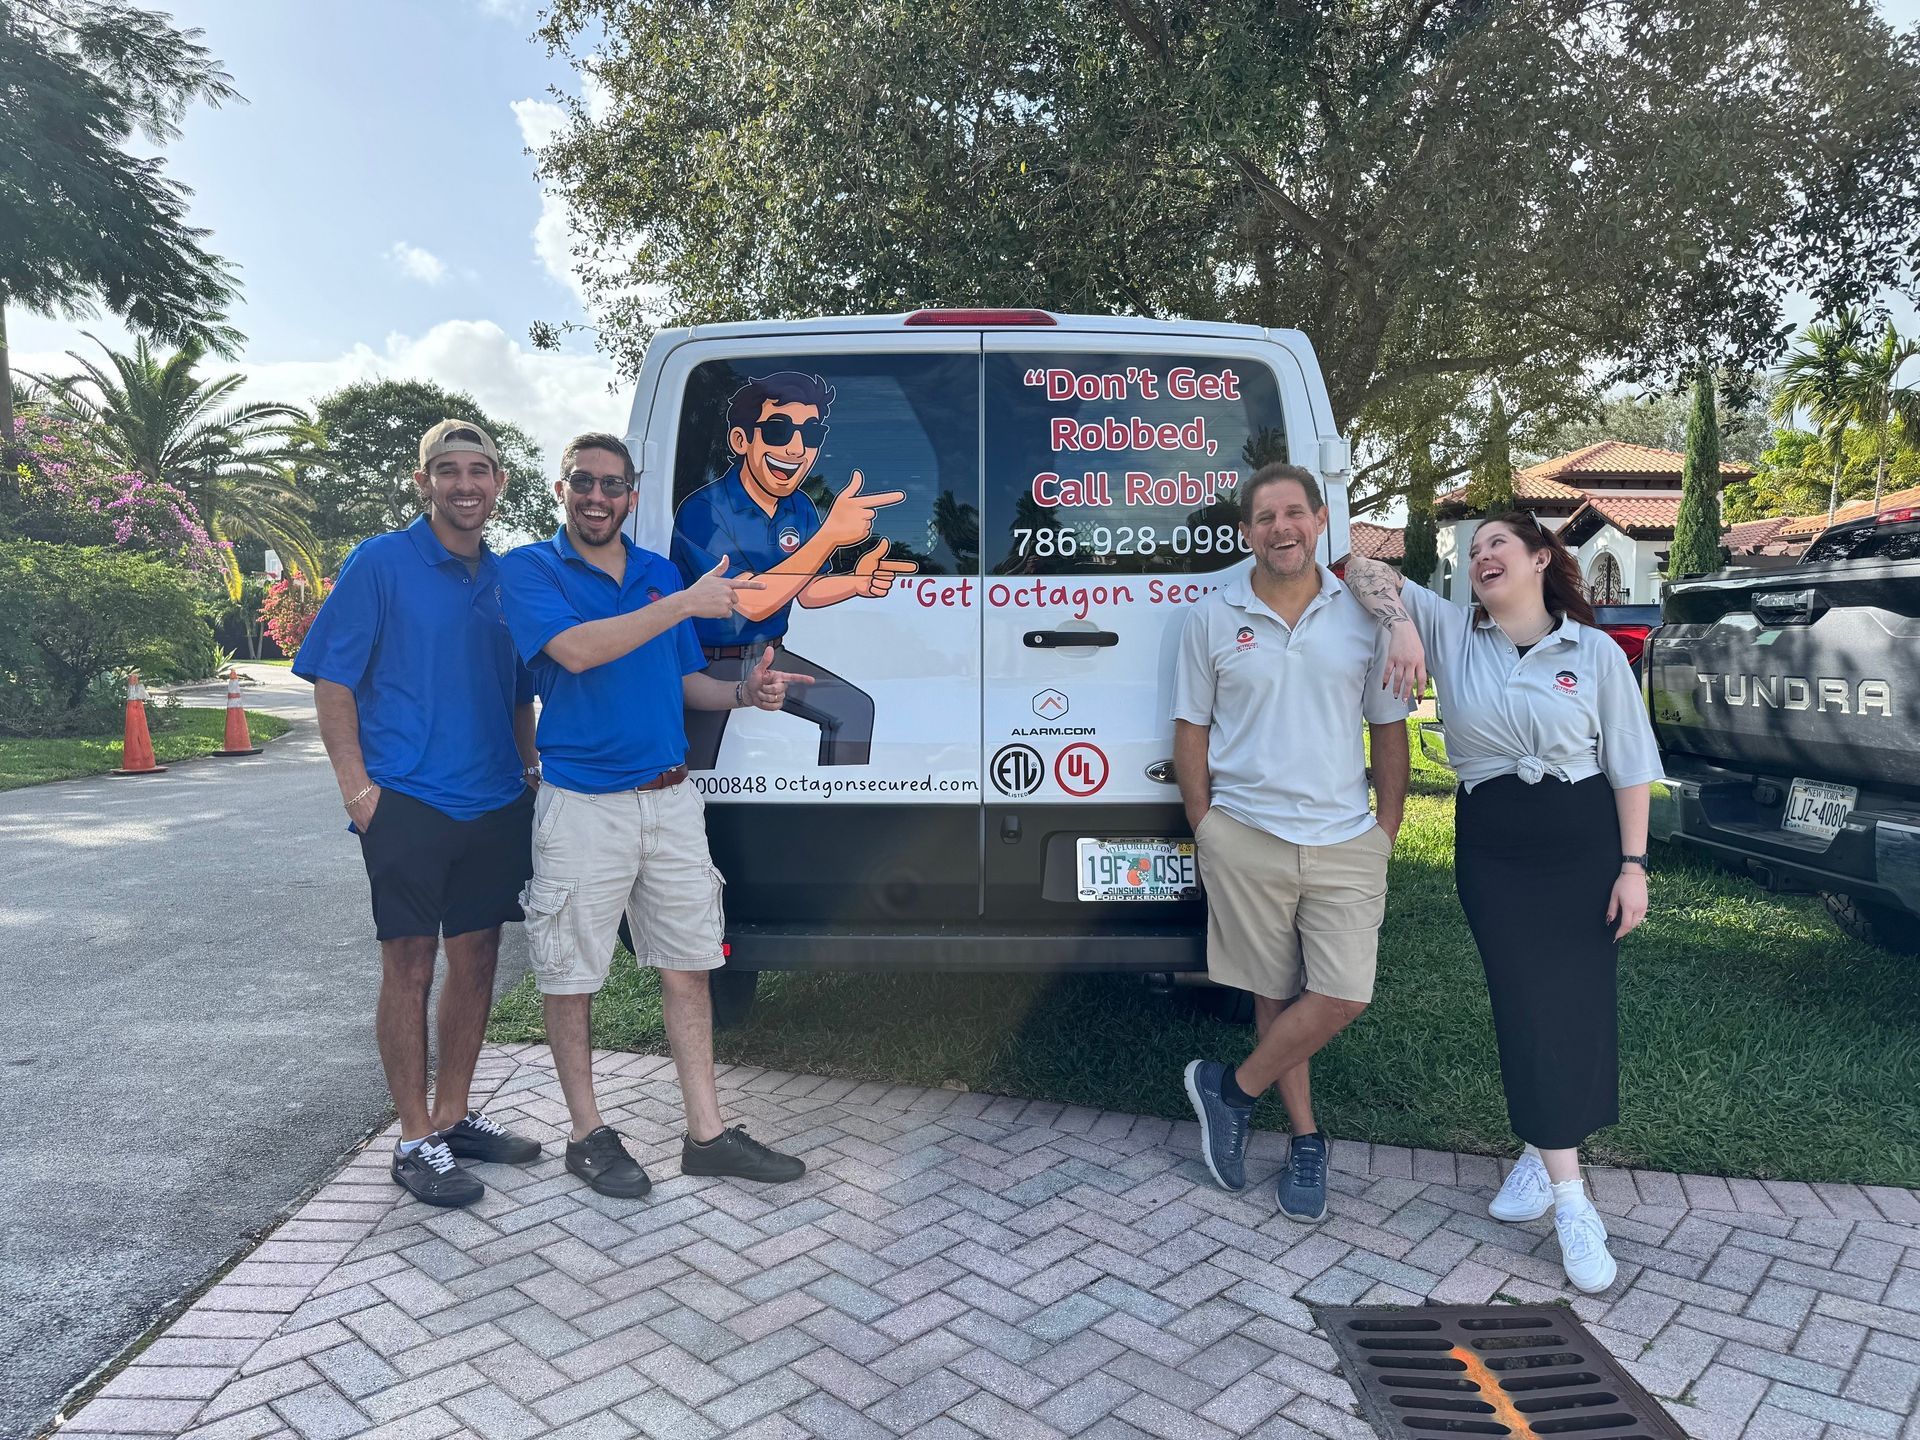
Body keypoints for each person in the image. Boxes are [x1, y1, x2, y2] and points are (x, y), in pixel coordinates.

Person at [1343, 512, 1659, 1293]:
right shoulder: (1452, 628)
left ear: (1541, 559)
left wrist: (1633, 866)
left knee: (1576, 1005)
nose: (1482, 556)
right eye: (1475, 548)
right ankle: (1573, 1201)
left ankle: (1541, 1154)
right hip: (1496, 845)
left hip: (1582, 839)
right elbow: (1358, 566)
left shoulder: (1592, 652)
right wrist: (1402, 626)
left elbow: (1628, 764)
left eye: (1499, 545)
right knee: (1525, 1003)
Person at [497, 432, 811, 1198]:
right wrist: (685, 602)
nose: (597, 497)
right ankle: (587, 1135)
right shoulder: (530, 569)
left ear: (631, 496)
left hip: (671, 801)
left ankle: (706, 1135)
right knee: (571, 977)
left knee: (688, 966)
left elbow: (684, 683)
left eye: (613, 485)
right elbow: (576, 652)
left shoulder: (657, 572)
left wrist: (744, 694)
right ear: (561, 490)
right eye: (583, 482)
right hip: (583, 806)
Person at [297, 420, 544, 1208]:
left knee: (478, 959)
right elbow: (333, 680)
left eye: (479, 470)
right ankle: (412, 1140)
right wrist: (358, 790)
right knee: (409, 966)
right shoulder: (381, 562)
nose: (465, 485)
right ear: (423, 481)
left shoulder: (507, 579)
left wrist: (527, 768)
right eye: (449, 470)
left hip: (494, 801)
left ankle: (452, 1117)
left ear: (499, 483)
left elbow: (519, 692)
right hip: (406, 800)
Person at [1176, 463, 1418, 1223]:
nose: (1280, 528)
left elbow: (1388, 728)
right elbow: (1191, 728)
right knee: (1272, 995)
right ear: (1246, 532)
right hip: (1246, 833)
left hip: (1346, 837)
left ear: (1319, 521)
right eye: (1264, 517)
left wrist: (1385, 831)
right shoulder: (1213, 614)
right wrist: (1205, 825)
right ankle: (1306, 1141)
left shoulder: (1363, 613)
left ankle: (1229, 1090)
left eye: (1293, 514)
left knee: (1343, 994)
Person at [671, 371, 917, 769]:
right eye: (778, 430)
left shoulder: (799, 506)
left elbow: (806, 590)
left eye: (812, 434)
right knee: (695, 775)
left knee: (853, 710)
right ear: (741, 440)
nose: (797, 448)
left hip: (770, 655)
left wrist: (855, 583)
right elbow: (748, 602)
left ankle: (841, 803)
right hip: (706, 666)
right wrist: (830, 536)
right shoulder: (704, 509)